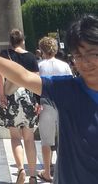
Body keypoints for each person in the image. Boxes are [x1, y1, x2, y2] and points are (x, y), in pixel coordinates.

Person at [0, 11, 98, 184]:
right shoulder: (67, 90)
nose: (85, 61)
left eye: (92, 53)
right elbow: (24, 76)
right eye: (78, 56)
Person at [0, 29, 39, 184]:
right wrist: (38, 102)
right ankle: (32, 176)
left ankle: (20, 169)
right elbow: (36, 80)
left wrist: (1, 94)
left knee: (15, 137)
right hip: (28, 97)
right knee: (29, 138)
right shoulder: (31, 57)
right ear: (23, 40)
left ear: (10, 41)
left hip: (11, 97)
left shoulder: (4, 55)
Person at [37, 35, 72, 182]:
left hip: (46, 105)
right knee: (63, 140)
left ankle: (47, 170)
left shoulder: (39, 66)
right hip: (62, 106)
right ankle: (62, 168)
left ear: (42, 50)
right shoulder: (64, 65)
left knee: (46, 141)